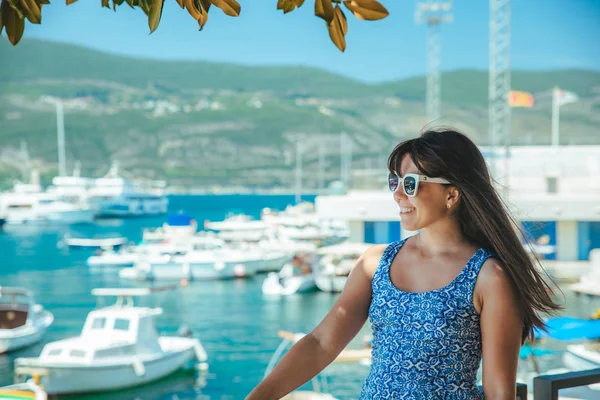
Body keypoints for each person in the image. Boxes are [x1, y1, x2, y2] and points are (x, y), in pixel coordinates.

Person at [245, 128, 561, 399]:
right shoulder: (374, 264)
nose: (398, 194)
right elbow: (320, 343)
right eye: (393, 181)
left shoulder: (489, 277)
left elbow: (498, 391)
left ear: (451, 194)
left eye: (410, 184)